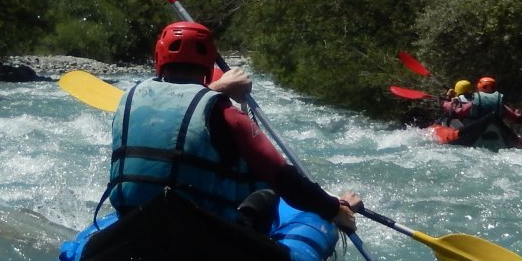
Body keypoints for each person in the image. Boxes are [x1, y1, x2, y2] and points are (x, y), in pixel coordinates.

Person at [101, 21, 360, 234]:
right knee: (266, 192)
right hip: (201, 235)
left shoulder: (129, 99)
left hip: (134, 223)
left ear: (158, 59)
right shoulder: (224, 113)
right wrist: (334, 209)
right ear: (207, 67)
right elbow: (283, 177)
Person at [440, 75, 522, 148]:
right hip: (497, 128)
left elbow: (457, 113)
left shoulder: (475, 101)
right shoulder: (499, 102)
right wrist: (518, 114)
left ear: (479, 87)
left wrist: (450, 102)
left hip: (475, 131)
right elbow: (517, 119)